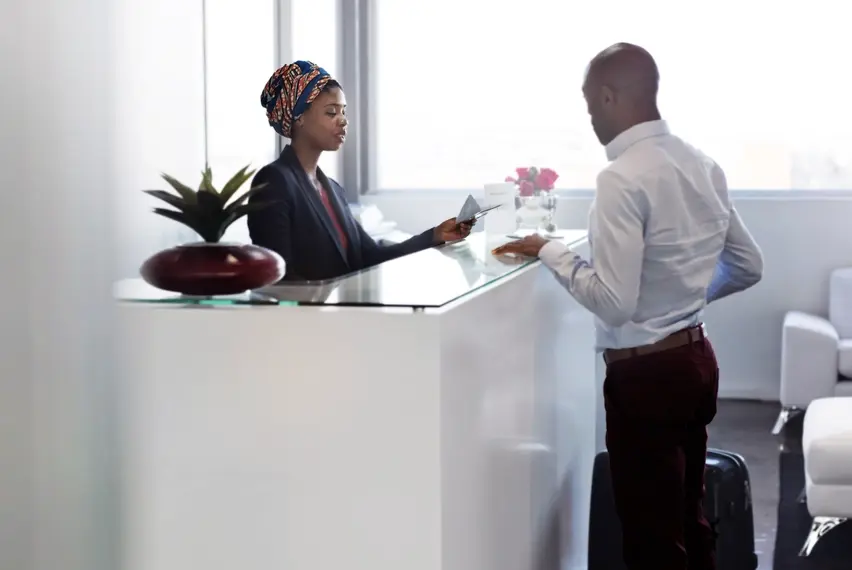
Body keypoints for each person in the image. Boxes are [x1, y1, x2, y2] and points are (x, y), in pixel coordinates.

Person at [493, 43, 763, 570]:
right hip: (696, 361)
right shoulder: (702, 164)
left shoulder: (620, 178)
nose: (590, 117)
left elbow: (615, 305)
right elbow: (749, 265)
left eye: (591, 104)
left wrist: (550, 250)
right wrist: (681, 299)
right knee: (689, 519)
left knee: (650, 540)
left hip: (647, 379)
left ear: (610, 96)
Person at [248, 60, 473, 281]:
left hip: (346, 313)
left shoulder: (333, 190)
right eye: (331, 112)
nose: (343, 121)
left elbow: (370, 256)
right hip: (308, 316)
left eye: (343, 112)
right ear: (300, 118)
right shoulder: (274, 181)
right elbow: (278, 278)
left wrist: (434, 235)